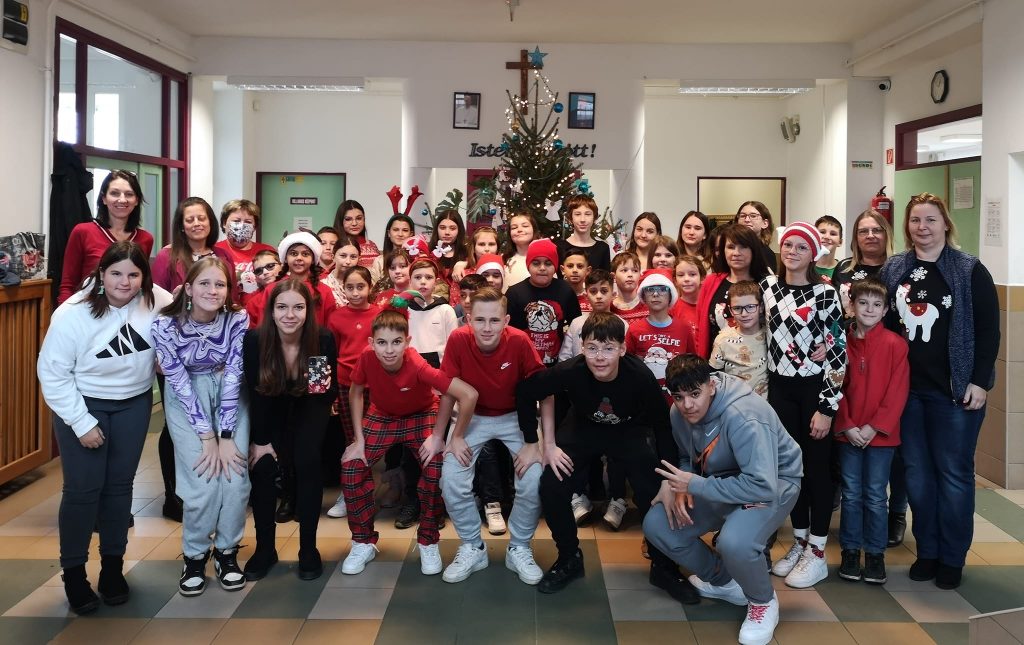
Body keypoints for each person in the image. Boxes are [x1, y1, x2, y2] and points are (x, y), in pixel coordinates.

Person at [515, 312, 697, 604]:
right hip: (583, 427)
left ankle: (663, 565)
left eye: (609, 348)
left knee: (654, 490)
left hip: (628, 430)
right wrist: (537, 443)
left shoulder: (639, 375)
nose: (600, 357)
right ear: (582, 347)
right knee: (551, 484)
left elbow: (663, 426)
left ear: (623, 349)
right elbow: (526, 391)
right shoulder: (571, 369)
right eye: (592, 348)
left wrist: (669, 478)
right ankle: (569, 557)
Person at [38, 241, 171, 614]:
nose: (124, 282)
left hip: (134, 403)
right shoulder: (73, 313)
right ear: (101, 274)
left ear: (144, 277)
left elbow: (183, 319)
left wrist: (167, 355)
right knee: (82, 491)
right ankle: (74, 575)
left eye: (133, 274)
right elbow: (52, 372)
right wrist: (81, 423)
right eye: (116, 273)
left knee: (119, 488)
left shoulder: (156, 300)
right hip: (84, 404)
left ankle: (112, 568)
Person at [879, 192, 999, 590]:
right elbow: (882, 324)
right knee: (917, 476)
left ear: (945, 224)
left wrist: (979, 381)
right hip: (907, 393)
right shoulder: (895, 267)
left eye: (931, 219)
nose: (923, 227)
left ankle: (952, 557)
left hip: (955, 394)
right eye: (915, 220)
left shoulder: (968, 270)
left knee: (953, 475)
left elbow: (988, 332)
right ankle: (927, 551)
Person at [643, 354, 802, 645]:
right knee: (658, 524)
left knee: (734, 542)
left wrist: (695, 484)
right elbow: (687, 456)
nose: (687, 405)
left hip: (774, 482)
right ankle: (726, 582)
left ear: (712, 386)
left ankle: (763, 601)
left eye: (695, 394)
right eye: (679, 397)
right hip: (718, 480)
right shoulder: (678, 413)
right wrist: (677, 484)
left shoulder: (744, 415)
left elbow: (761, 485)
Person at [339, 310, 478, 577]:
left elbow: (466, 394)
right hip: (382, 415)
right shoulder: (367, 358)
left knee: (436, 468)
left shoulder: (416, 363)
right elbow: (355, 391)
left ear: (407, 341)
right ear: (371, 343)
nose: (389, 350)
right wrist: (358, 439)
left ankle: (428, 539)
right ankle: (363, 542)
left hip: (421, 414)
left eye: (396, 342)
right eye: (382, 343)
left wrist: (447, 436)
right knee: (352, 467)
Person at [152, 256, 250, 597]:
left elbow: (234, 372)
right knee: (202, 482)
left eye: (220, 284)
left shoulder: (237, 318)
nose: (212, 290)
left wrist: (226, 435)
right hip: (187, 399)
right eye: (204, 283)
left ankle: (227, 552)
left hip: (230, 396)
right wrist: (207, 436)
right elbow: (178, 382)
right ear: (189, 289)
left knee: (235, 480)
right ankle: (194, 556)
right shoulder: (165, 325)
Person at [436, 287, 547, 584]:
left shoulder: (520, 341)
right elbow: (448, 390)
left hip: (515, 417)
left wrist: (541, 444)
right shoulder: (458, 339)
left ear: (506, 320)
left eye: (495, 320)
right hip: (471, 417)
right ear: (468, 319)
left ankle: (519, 547)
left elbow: (545, 390)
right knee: (451, 479)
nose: (487, 328)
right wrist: (444, 436)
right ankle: (473, 546)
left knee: (534, 478)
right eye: (480, 320)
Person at [761, 222, 846, 589]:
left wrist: (827, 408)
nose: (792, 252)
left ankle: (818, 551)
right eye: (788, 245)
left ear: (814, 254)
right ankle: (799, 541)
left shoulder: (825, 294)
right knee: (790, 471)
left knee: (817, 470)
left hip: (813, 391)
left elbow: (838, 353)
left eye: (801, 247)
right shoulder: (768, 288)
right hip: (779, 391)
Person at [243, 279, 339, 581]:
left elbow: (323, 393)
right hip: (269, 405)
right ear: (271, 311)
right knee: (263, 466)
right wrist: (261, 441)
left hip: (310, 404)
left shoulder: (321, 338)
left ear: (308, 311)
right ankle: (265, 549)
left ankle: (308, 549)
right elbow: (256, 394)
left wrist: (303, 441)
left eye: (298, 307)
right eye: (282, 307)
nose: (290, 315)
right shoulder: (255, 340)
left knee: (307, 461)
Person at [151, 197, 231, 523]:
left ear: (210, 222)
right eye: (190, 219)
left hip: (214, 353)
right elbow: (155, 302)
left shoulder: (222, 255)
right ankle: (174, 496)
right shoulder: (168, 256)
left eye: (202, 218)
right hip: (175, 352)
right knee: (175, 425)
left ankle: (208, 491)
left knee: (210, 420)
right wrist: (160, 350)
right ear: (181, 225)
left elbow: (229, 299)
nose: (197, 223)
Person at [832, 210, 905, 546]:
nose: (871, 235)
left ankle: (892, 520)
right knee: (853, 486)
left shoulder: (897, 267)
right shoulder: (844, 269)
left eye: (877, 229)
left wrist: (875, 426)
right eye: (864, 230)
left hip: (885, 357)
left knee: (880, 482)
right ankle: (851, 544)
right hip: (850, 349)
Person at [834, 278, 909, 586]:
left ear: (886, 309)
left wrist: (874, 426)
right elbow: (834, 386)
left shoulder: (895, 345)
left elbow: (898, 391)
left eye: (877, 305)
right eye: (863, 303)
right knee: (851, 494)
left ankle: (875, 554)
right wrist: (847, 424)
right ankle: (851, 551)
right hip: (848, 433)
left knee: (876, 495)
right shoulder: (840, 342)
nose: (869, 309)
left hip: (881, 436)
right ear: (851, 306)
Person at [324, 266, 382, 517]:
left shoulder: (380, 314)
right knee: (353, 440)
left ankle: (365, 489)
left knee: (372, 440)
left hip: (376, 385)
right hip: (346, 385)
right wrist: (331, 391)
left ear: (370, 287)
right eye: (350, 287)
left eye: (361, 287)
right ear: (343, 289)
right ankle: (351, 493)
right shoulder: (336, 317)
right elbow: (332, 353)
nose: (355, 292)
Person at [58, 170, 155, 304]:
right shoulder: (83, 232)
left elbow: (142, 283)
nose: (122, 199)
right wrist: (64, 312)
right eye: (115, 193)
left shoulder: (145, 239)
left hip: (130, 312)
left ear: (136, 200)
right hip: (88, 310)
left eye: (129, 194)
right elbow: (68, 285)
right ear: (104, 198)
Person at [696, 224, 772, 357]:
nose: (736, 253)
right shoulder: (711, 281)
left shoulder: (767, 284)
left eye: (743, 247)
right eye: (731, 247)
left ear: (753, 250)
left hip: (757, 361)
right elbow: (700, 326)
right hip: (715, 361)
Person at [505, 238, 582, 366]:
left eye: (548, 263)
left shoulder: (565, 290)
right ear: (528, 266)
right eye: (536, 263)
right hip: (522, 362)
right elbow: (506, 332)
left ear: (555, 266)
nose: (542, 268)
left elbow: (577, 326)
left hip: (556, 363)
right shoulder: (514, 293)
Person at [248, 232, 336, 328]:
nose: (299, 258)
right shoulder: (272, 289)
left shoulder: (325, 291)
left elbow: (329, 328)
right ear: (285, 258)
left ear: (313, 260)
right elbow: (265, 326)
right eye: (293, 254)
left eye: (305, 254)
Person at [708, 280, 769, 398]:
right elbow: (713, 375)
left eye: (750, 307)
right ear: (731, 310)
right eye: (737, 308)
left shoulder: (770, 335)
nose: (744, 314)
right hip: (733, 403)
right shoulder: (723, 340)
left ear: (761, 307)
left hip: (764, 405)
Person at [213, 199, 276, 306]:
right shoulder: (215, 251)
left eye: (248, 222)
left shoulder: (267, 251)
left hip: (260, 310)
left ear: (254, 227)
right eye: (236, 221)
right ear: (224, 223)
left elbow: (277, 283)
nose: (242, 225)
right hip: (224, 309)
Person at [556, 195, 611, 271]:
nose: (582, 219)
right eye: (577, 214)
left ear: (594, 218)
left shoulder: (602, 248)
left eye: (587, 214)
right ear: (570, 219)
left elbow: (605, 277)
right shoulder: (559, 247)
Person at [369, 213, 415, 284]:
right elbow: (373, 287)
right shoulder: (380, 261)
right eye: (395, 230)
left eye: (405, 230)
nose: (400, 234)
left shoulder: (416, 259)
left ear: (411, 234)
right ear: (389, 233)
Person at [334, 199, 379, 270]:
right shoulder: (334, 244)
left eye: (359, 218)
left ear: (364, 219)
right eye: (348, 219)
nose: (354, 223)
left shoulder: (372, 245)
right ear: (340, 221)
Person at [735, 201, 778, 274]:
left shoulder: (767, 255)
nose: (747, 220)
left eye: (753, 216)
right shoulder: (728, 248)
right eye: (742, 216)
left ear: (765, 223)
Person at [671, 254, 705, 341]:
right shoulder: (672, 309)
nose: (686, 279)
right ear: (675, 280)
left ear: (702, 278)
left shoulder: (709, 306)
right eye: (681, 275)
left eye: (692, 274)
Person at [502, 212, 540, 290]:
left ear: (534, 229)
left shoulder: (543, 259)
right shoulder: (504, 259)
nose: (519, 230)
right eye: (514, 228)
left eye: (525, 226)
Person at [610, 251, 648, 327]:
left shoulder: (648, 306)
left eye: (635, 271)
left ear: (640, 275)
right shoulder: (608, 308)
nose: (630, 275)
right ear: (613, 276)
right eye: (624, 270)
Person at [814, 215, 843, 282]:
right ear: (814, 237)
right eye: (822, 232)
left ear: (840, 242)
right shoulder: (803, 268)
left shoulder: (844, 271)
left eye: (833, 234)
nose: (827, 237)